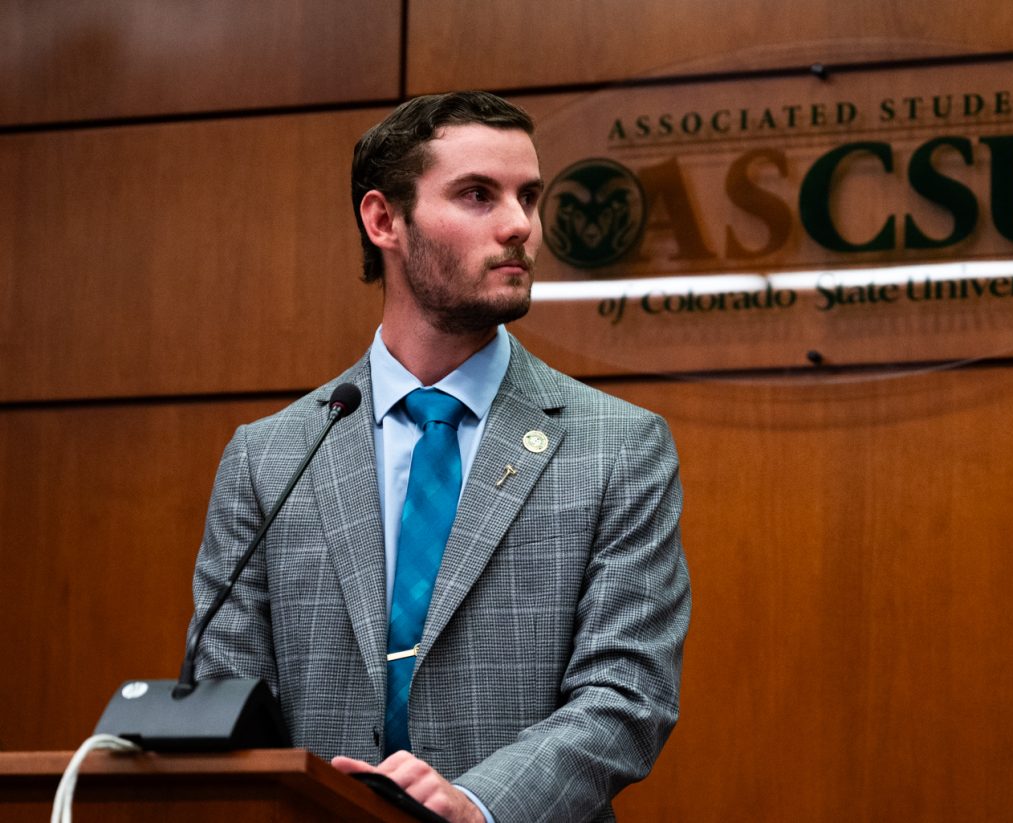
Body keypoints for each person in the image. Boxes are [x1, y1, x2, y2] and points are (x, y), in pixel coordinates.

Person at [189, 91, 690, 823]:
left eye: (528, 196)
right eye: (478, 195)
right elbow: (223, 690)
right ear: (384, 219)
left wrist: (479, 802)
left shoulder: (620, 447)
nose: (520, 225)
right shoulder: (269, 457)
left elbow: (628, 694)